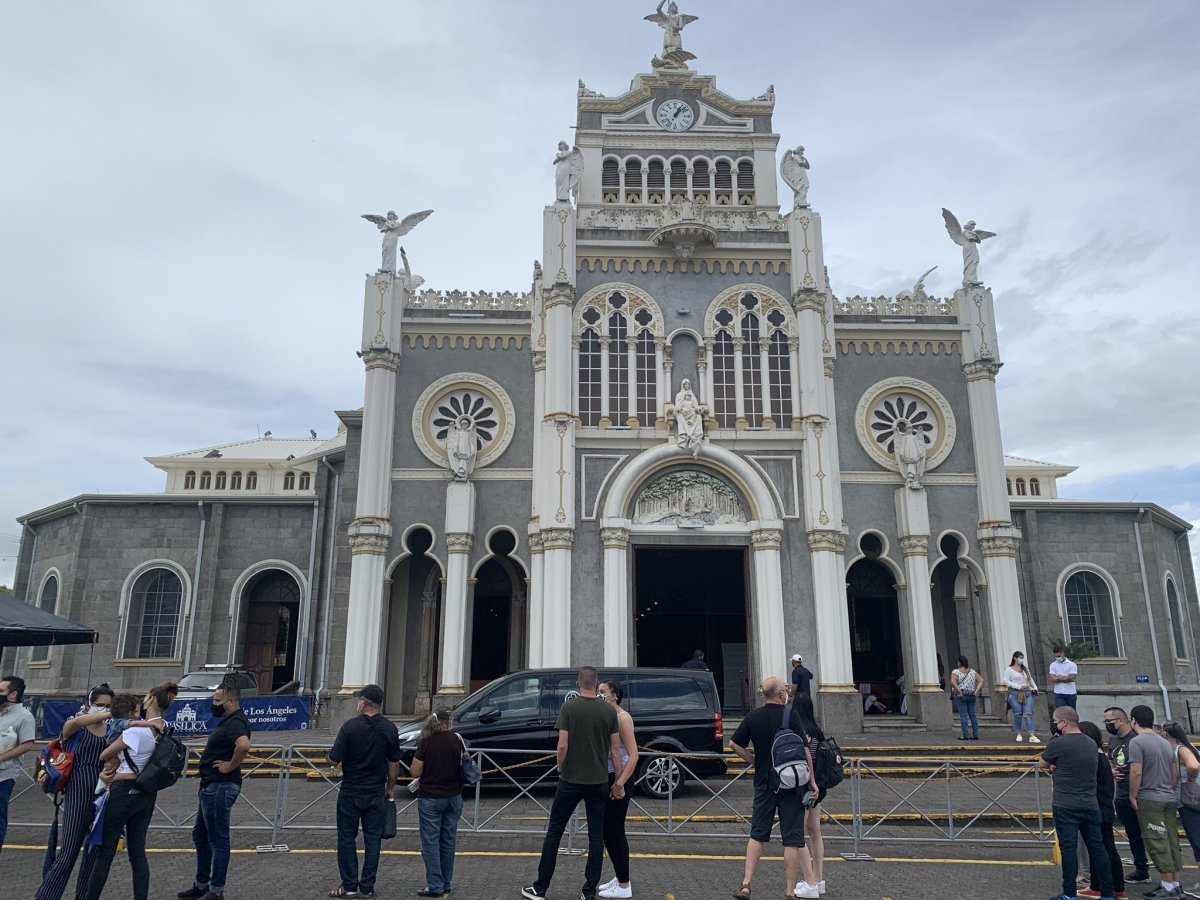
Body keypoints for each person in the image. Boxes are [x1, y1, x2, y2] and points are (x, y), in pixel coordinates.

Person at [522, 665, 623, 900]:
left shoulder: (568, 707)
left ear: (577, 685)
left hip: (571, 780)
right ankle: (588, 891)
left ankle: (540, 887)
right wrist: (618, 782)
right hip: (598, 781)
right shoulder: (608, 711)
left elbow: (562, 745)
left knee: (554, 831)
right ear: (596, 685)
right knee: (596, 837)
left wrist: (561, 765)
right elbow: (615, 750)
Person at [82, 681, 178, 900]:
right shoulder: (163, 729)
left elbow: (104, 755)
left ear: (150, 700)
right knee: (137, 853)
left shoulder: (135, 731)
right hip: (147, 792)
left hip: (123, 790)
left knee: (105, 853)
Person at [729, 676, 820, 900]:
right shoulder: (791, 715)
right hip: (792, 785)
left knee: (757, 834)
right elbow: (805, 749)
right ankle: (789, 891)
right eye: (785, 689)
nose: (787, 692)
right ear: (781, 694)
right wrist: (812, 780)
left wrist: (754, 761)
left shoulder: (753, 717)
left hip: (764, 783)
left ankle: (746, 884)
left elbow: (733, 744)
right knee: (792, 839)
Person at [35, 684, 114, 900]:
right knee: (69, 850)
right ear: (89, 704)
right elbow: (74, 724)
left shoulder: (111, 730)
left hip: (102, 789)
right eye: (100, 705)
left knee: (93, 851)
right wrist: (110, 714)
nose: (104, 709)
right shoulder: (76, 725)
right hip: (78, 787)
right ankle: (47, 896)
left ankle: (85, 896)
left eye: (109, 706)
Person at [178, 679, 253, 900]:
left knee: (218, 839)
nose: (214, 704)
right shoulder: (228, 721)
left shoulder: (236, 722)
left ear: (230, 702)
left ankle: (216, 890)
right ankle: (202, 884)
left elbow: (244, 745)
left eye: (217, 700)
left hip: (220, 786)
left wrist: (230, 766)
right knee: (200, 835)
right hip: (211, 786)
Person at [327, 684, 400, 899]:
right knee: (373, 840)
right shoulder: (390, 728)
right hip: (376, 791)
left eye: (359, 699)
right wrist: (390, 788)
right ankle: (367, 886)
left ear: (364, 703)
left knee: (346, 838)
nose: (357, 703)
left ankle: (349, 885)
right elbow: (394, 763)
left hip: (350, 791)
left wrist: (328, 758)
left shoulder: (350, 727)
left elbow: (334, 758)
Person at [1040, 707, 1115, 900]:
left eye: (1055, 721)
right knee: (1098, 848)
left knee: (1069, 850)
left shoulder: (1058, 743)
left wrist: (1055, 764)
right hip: (1090, 803)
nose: (1054, 724)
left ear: (1064, 722)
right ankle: (1107, 893)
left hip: (1065, 804)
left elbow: (1042, 763)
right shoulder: (1090, 743)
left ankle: (1069, 893)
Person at [1128, 705, 1183, 897]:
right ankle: (1175, 884)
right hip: (1168, 796)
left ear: (1133, 720)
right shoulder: (1165, 742)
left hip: (1149, 797)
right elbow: (1174, 772)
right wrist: (1169, 789)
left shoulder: (1137, 742)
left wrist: (1133, 795)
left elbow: (1136, 772)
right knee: (1171, 841)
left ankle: (1167, 887)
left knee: (1157, 841)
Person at [412, 707, 464, 899]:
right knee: (448, 841)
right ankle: (446, 883)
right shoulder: (457, 739)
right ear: (448, 722)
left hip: (430, 797)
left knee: (430, 842)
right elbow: (464, 763)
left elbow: (415, 771)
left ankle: (435, 885)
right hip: (454, 796)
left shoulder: (426, 741)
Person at [597, 679, 639, 900]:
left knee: (615, 831)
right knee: (607, 831)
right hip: (609, 776)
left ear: (614, 695)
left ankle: (624, 884)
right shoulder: (607, 716)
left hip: (620, 778)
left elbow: (633, 755)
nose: (599, 694)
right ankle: (620, 876)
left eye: (603, 691)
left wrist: (620, 782)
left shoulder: (622, 718)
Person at [1075, 720, 1125, 899]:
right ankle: (1103, 885)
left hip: (1098, 808)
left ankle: (1110, 886)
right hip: (1102, 807)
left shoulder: (1095, 758)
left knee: (1103, 849)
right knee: (1102, 848)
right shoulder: (1100, 756)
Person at [1104, 706, 1152, 885]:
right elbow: (1111, 759)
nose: (1107, 724)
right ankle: (1141, 869)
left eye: (1109, 721)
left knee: (1151, 834)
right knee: (1133, 834)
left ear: (1121, 720)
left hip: (1141, 793)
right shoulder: (1113, 740)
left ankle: (1167, 874)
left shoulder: (1136, 738)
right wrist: (1112, 771)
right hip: (1122, 793)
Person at [792, 693, 828, 898]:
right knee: (815, 831)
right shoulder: (817, 731)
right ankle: (818, 878)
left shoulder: (800, 732)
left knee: (797, 833)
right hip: (819, 789)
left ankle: (810, 883)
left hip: (805, 786)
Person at [1162, 722, 1200, 897]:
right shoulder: (1186, 747)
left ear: (1166, 734)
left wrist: (1190, 780)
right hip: (1189, 801)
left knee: (1197, 840)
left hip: (1189, 801)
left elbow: (1193, 765)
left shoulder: (1180, 749)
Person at [0, 674, 36, 857]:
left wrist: (1, 757)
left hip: (3, 775)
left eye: (1, 690)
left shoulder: (24, 716)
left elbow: (27, 744)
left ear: (13, 694)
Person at [1003, 650, 1041, 743]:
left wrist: (1035, 688)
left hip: (1027, 693)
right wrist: (1018, 686)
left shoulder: (1025, 669)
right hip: (1015, 693)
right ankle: (1018, 734)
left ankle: (1032, 735)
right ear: (1015, 658)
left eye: (1022, 658)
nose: (1022, 660)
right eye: (1020, 658)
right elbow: (1006, 681)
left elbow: (1030, 679)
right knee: (1018, 714)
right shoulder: (1009, 669)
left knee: (1028, 714)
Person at [949, 656, 980, 741]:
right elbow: (981, 681)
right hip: (972, 695)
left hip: (961, 696)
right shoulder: (972, 671)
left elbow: (953, 682)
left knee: (963, 716)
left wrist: (959, 692)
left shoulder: (956, 671)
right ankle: (975, 734)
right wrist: (976, 691)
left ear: (959, 662)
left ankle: (966, 735)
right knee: (973, 716)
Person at [1049, 644, 1079, 709]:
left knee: (1071, 712)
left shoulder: (1072, 665)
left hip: (1070, 693)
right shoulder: (1053, 665)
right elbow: (1052, 679)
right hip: (1059, 693)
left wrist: (1058, 678)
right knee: (1061, 711)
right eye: (1056, 656)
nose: (1057, 658)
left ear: (1063, 653)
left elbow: (1072, 678)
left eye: (1059, 656)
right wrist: (1065, 678)